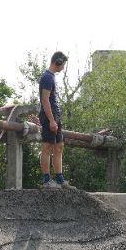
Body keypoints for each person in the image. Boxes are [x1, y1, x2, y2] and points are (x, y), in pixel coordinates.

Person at [39, 51, 69, 188]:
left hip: (55, 115)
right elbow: (45, 100)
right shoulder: (47, 77)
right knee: (47, 146)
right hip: (49, 116)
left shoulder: (51, 77)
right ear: (58, 62)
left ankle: (59, 179)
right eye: (63, 64)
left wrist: (55, 119)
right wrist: (51, 120)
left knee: (59, 146)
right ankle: (46, 180)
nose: (63, 67)